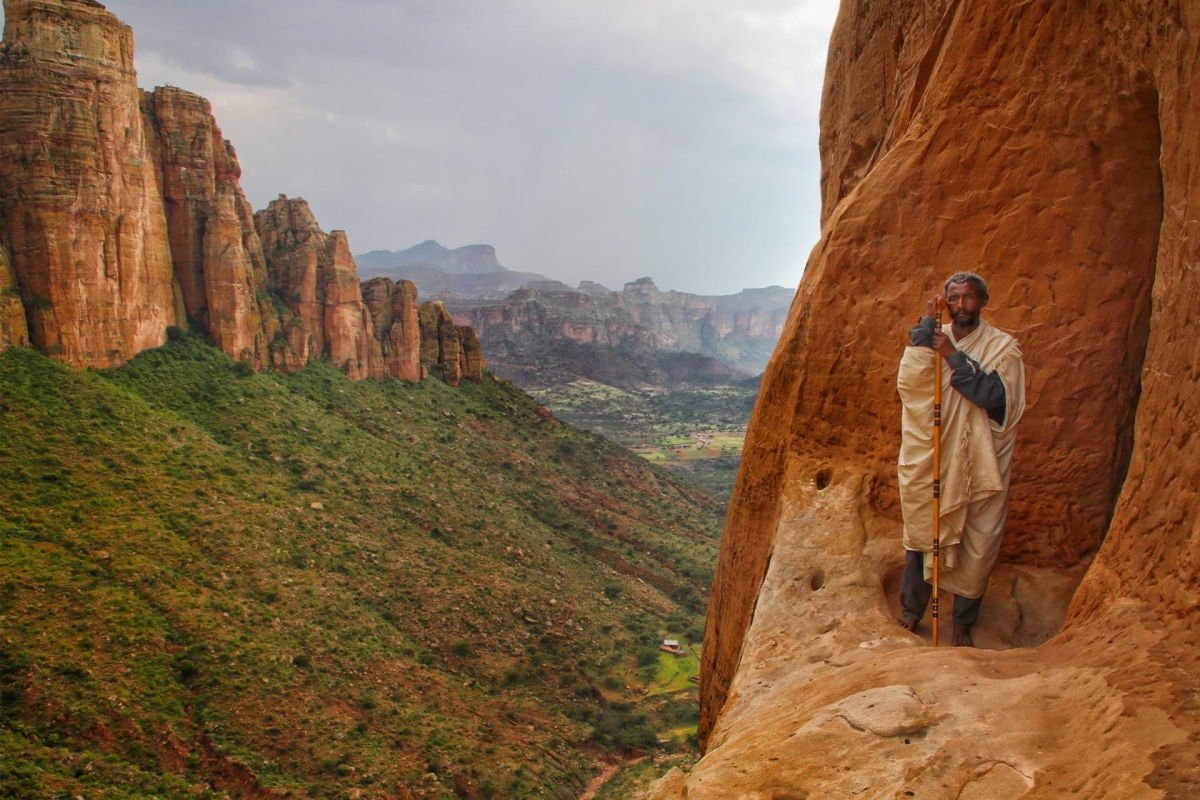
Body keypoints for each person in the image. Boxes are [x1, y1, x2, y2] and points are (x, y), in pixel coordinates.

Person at [895, 271, 1026, 646]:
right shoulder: (935, 337)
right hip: (935, 456)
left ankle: (963, 623)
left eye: (969, 298)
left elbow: (994, 397)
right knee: (924, 531)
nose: (962, 306)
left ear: (983, 301)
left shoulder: (1003, 348)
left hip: (979, 466)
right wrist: (920, 348)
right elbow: (911, 390)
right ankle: (911, 610)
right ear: (946, 302)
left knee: (978, 541)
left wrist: (951, 355)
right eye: (954, 299)